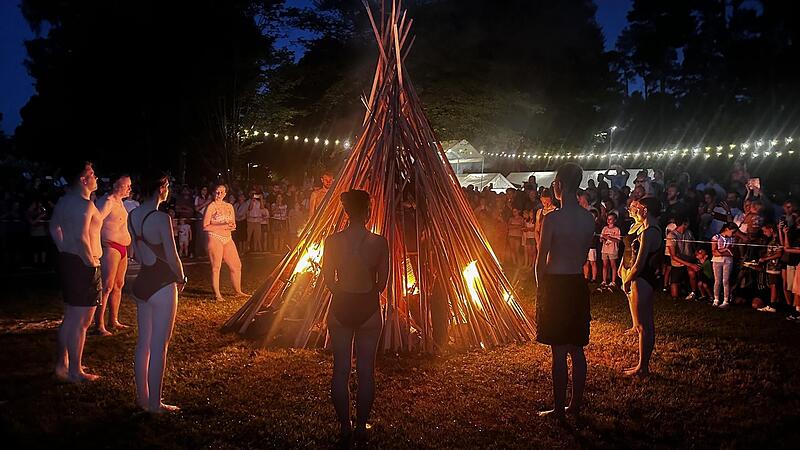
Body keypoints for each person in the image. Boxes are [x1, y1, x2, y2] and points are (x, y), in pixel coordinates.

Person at [322, 189, 389, 441]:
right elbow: (382, 282)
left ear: (347, 211)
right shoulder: (379, 243)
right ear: (368, 211)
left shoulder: (332, 241)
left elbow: (328, 278)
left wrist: (343, 292)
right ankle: (361, 426)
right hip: (368, 307)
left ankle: (344, 426)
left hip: (341, 305)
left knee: (340, 370)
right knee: (365, 371)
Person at [535, 163, 595, 418]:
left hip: (557, 285)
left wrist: (541, 291)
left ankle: (560, 408)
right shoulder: (588, 218)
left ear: (559, 184)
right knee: (576, 349)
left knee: (559, 352)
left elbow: (541, 260)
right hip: (577, 284)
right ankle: (575, 405)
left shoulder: (553, 219)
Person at [128, 171, 186, 413]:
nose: (169, 189)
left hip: (142, 282)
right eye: (168, 185)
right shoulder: (161, 218)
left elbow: (137, 253)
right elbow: (172, 256)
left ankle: (143, 398)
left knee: (144, 344)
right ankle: (155, 404)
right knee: (159, 345)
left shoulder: (133, 215)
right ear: (161, 187)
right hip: (162, 285)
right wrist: (181, 277)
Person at [49, 161, 103, 383]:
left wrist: (63, 248)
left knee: (70, 316)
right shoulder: (84, 204)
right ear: (83, 179)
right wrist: (90, 262)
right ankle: (76, 371)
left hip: (69, 261)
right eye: (92, 174)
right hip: (84, 265)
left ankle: (63, 364)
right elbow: (82, 237)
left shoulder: (63, 201)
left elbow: (53, 227)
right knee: (81, 322)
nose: (96, 177)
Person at [619, 196, 662, 377]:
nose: (636, 210)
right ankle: (642, 366)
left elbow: (640, 262)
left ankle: (642, 367)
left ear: (646, 210)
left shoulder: (650, 231)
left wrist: (628, 279)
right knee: (643, 325)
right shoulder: (646, 229)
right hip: (642, 278)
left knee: (645, 326)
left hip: (643, 279)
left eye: (640, 207)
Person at [93, 175, 133, 335]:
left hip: (122, 247)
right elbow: (95, 222)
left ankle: (113, 320)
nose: (130, 188)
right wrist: (98, 244)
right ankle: (99, 324)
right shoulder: (108, 201)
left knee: (118, 284)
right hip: (110, 246)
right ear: (117, 185)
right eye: (127, 185)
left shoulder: (120, 202)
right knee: (107, 286)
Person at [204, 184, 246, 301]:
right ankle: (217, 294)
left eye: (222, 192)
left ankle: (238, 291)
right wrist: (223, 226)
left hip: (227, 238)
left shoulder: (229, 206)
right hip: (215, 237)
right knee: (216, 267)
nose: (219, 194)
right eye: (217, 192)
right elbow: (206, 226)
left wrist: (231, 226)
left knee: (236, 265)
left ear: (225, 194)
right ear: (214, 193)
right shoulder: (211, 207)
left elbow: (233, 224)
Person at [666, 217, 701, 301]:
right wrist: (691, 265)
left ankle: (693, 292)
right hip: (678, 263)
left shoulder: (689, 233)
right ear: (684, 223)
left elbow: (693, 247)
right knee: (675, 293)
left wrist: (697, 254)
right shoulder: (672, 235)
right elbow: (673, 256)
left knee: (692, 273)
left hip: (689, 260)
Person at [711, 223, 738, 309]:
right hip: (717, 261)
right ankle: (716, 299)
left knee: (726, 280)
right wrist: (726, 250)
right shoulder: (716, 237)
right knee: (717, 280)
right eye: (732, 232)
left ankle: (726, 300)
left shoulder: (732, 239)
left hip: (728, 261)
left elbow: (732, 253)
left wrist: (722, 251)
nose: (733, 234)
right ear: (726, 229)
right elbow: (714, 252)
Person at [599, 212, 621, 291]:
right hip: (605, 250)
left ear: (615, 220)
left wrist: (609, 238)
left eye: (611, 219)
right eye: (608, 219)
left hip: (612, 250)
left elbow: (618, 240)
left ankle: (613, 281)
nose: (608, 220)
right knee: (605, 265)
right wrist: (603, 239)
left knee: (613, 265)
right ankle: (604, 281)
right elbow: (601, 239)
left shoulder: (616, 229)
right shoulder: (605, 228)